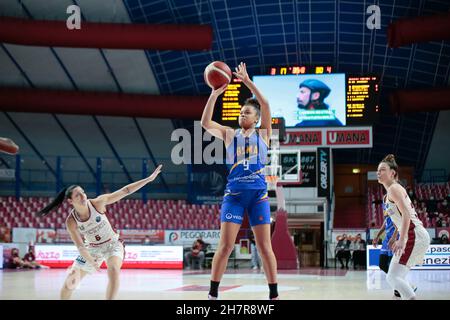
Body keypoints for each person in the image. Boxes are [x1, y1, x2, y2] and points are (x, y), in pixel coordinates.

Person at [201, 62, 278, 300]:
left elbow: (265, 103)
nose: (242, 114)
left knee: (265, 248)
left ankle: (273, 294)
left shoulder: (264, 133)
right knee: (225, 246)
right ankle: (213, 293)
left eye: (247, 112)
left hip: (258, 195)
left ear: (256, 119)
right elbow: (205, 123)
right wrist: (213, 95)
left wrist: (246, 82)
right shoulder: (229, 134)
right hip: (234, 195)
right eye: (241, 111)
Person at [36, 164, 162, 300]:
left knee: (113, 270)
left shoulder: (98, 203)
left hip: (113, 243)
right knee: (69, 283)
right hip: (91, 249)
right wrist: (91, 261)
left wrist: (149, 179)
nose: (83, 196)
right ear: (70, 201)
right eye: (78, 195)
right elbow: (80, 247)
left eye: (83, 192)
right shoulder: (71, 221)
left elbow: (125, 190)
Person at [377, 154, 430, 300]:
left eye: (382, 170)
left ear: (392, 173)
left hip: (414, 235)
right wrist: (395, 237)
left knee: (393, 277)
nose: (378, 172)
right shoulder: (387, 195)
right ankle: (406, 291)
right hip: (410, 235)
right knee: (394, 277)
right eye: (378, 170)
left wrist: (402, 239)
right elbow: (396, 219)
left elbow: (406, 214)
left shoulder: (394, 188)